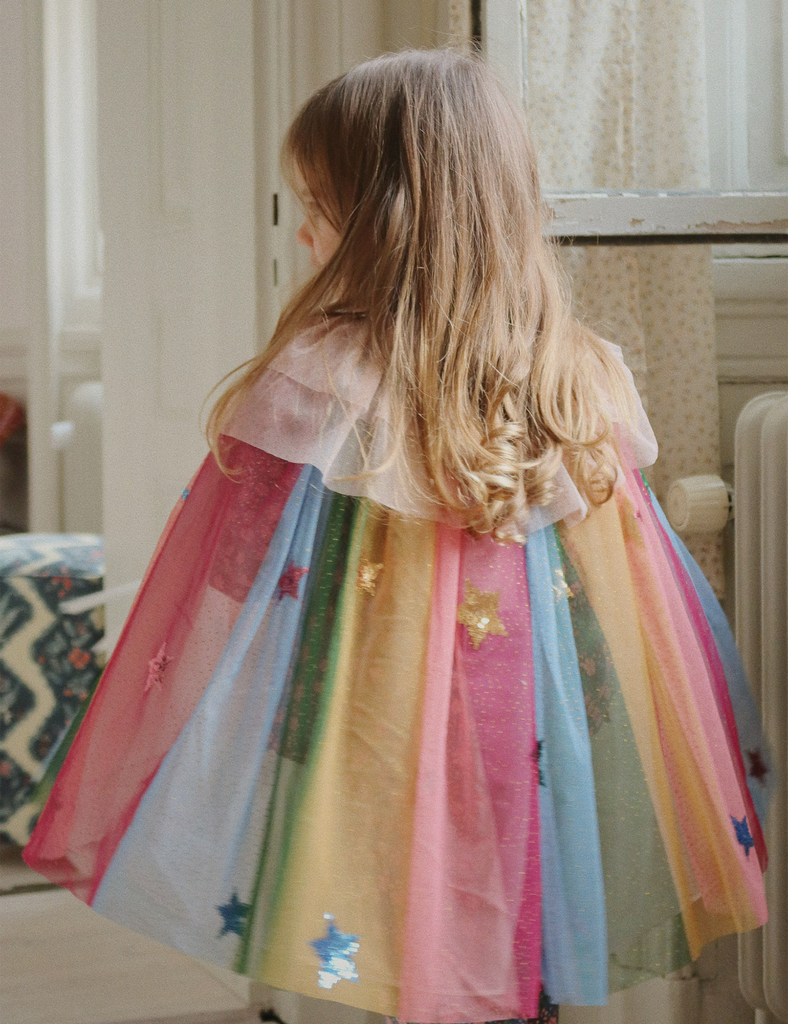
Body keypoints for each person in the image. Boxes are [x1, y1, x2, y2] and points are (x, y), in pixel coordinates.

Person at [24, 49, 771, 1024]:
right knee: (505, 905)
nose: (300, 233)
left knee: (374, 907)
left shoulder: (325, 374)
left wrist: (179, 712)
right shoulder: (578, 371)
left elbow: (230, 567)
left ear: (387, 222)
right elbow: (623, 581)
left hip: (359, 713)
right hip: (536, 723)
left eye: (317, 208)